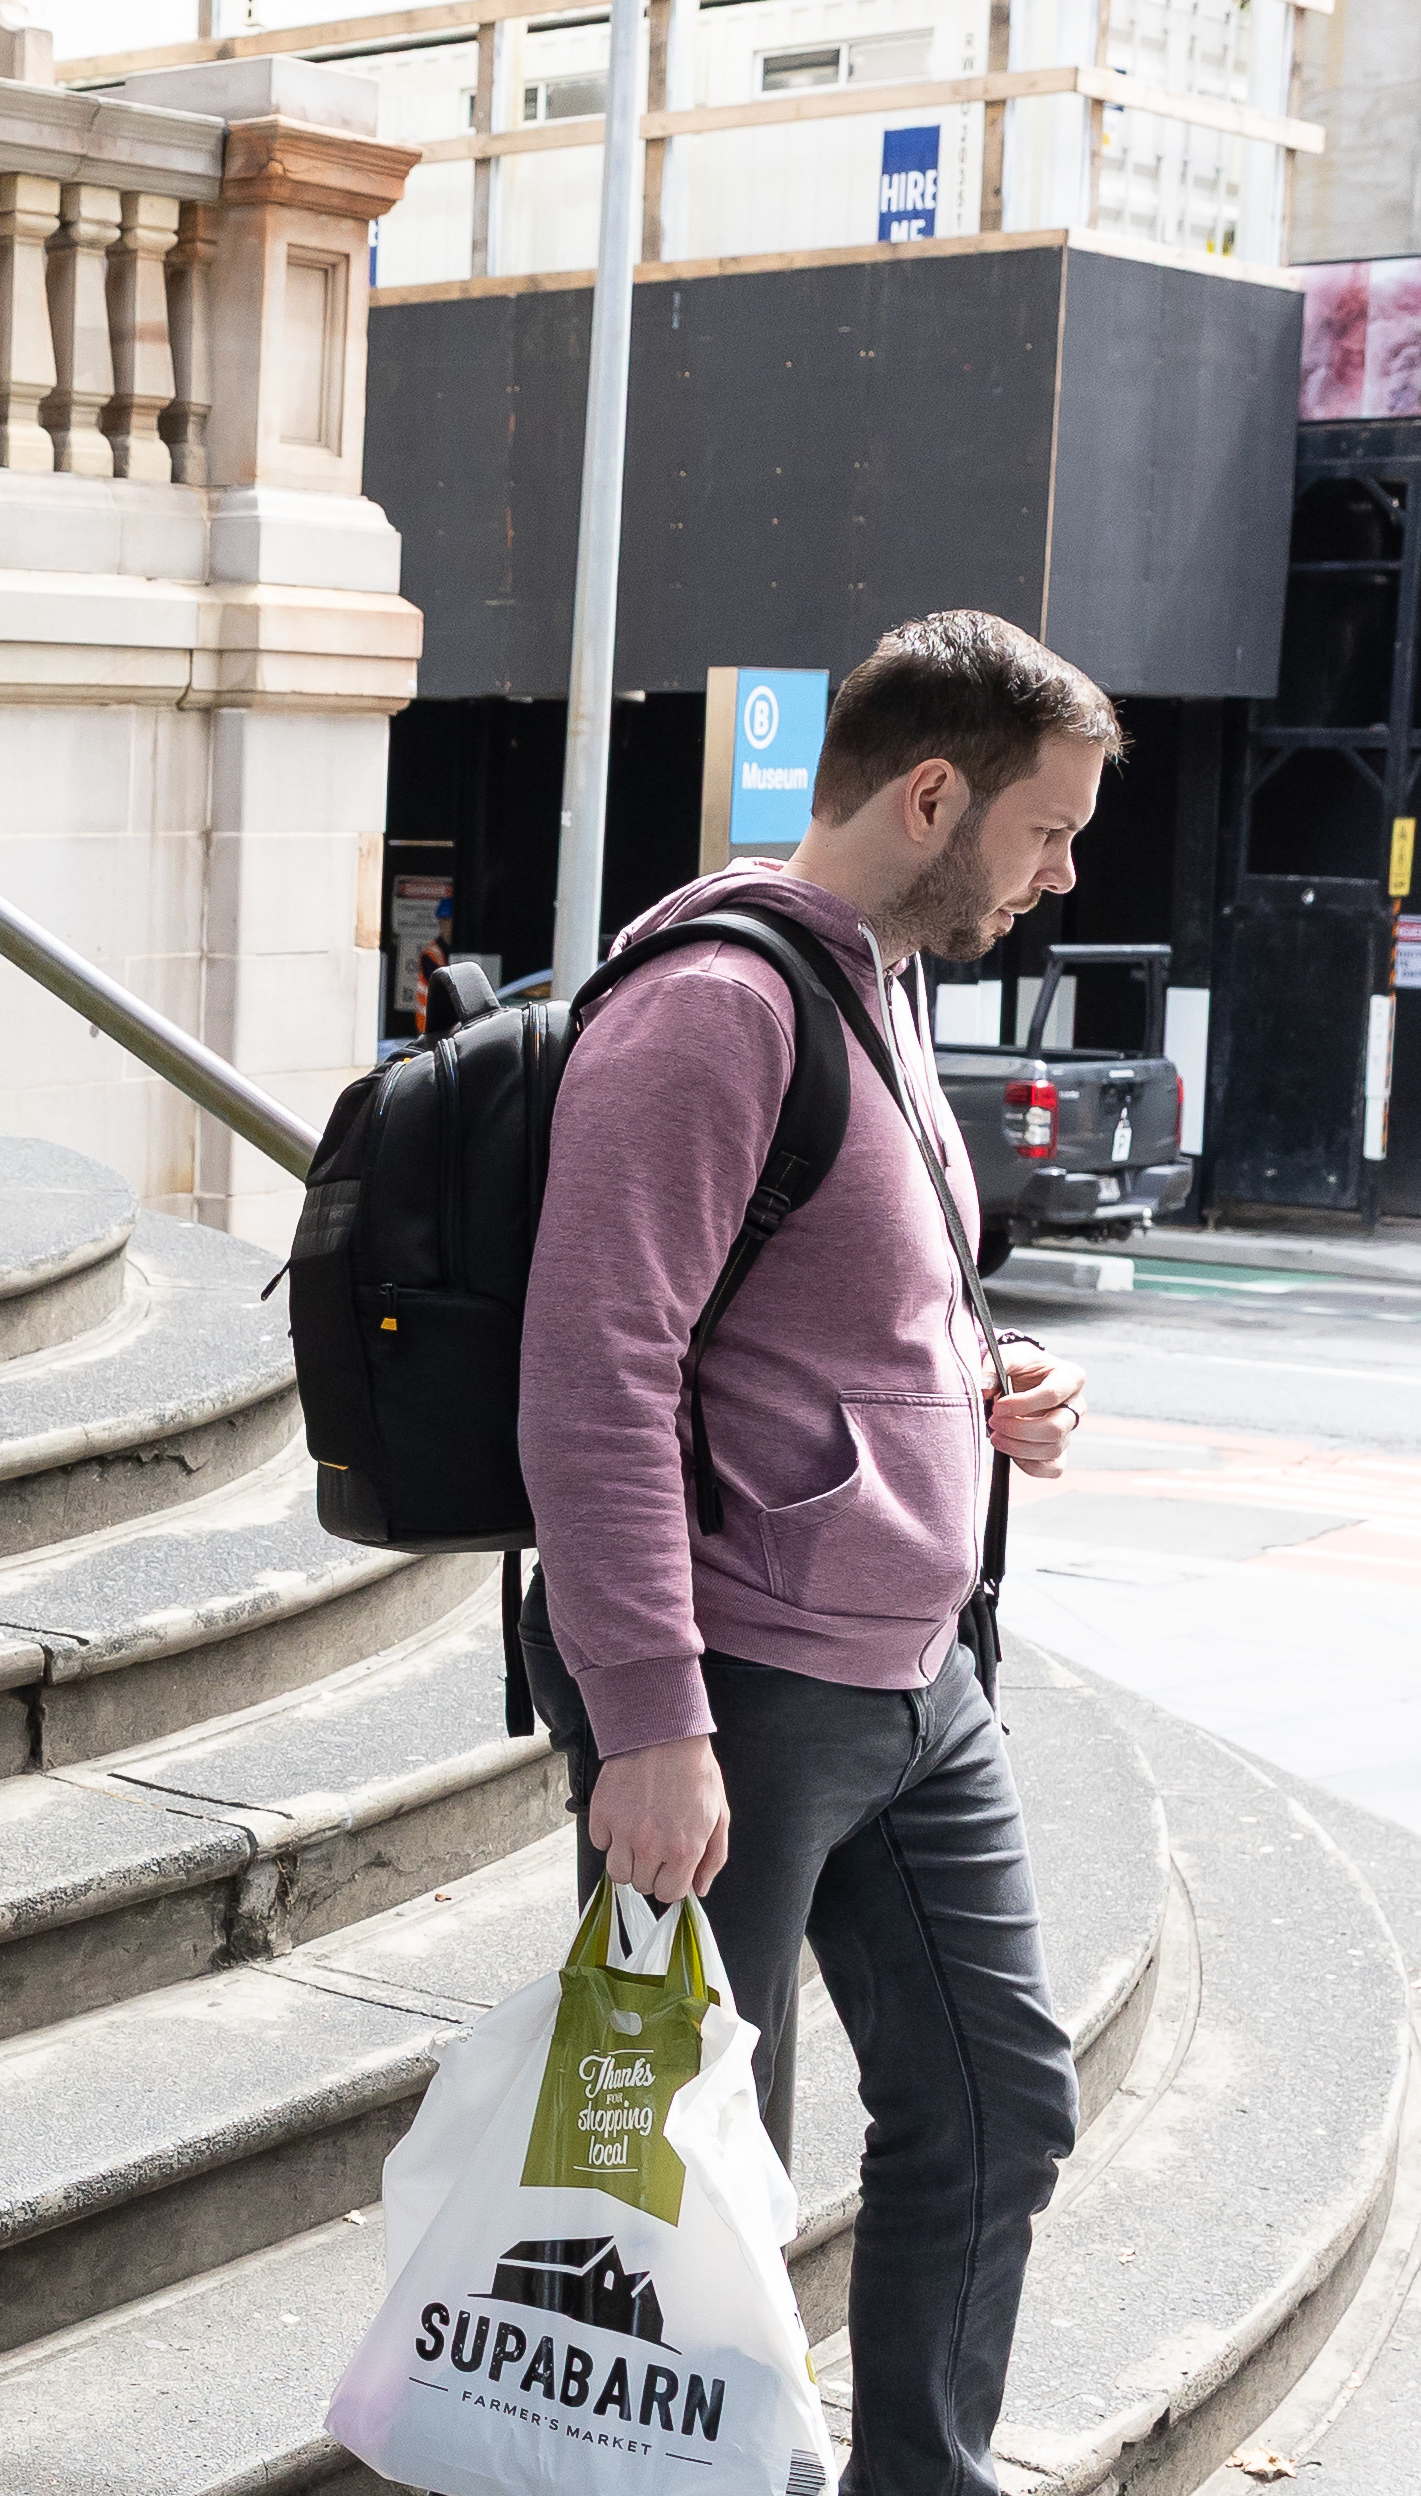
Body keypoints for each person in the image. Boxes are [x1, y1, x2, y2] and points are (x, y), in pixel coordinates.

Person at [516, 610, 1111, 2494]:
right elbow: (591, 1377)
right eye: (1043, 831)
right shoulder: (715, 1008)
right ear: (930, 794)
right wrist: (649, 1722)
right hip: (741, 1697)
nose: (1060, 873)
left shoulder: (886, 977)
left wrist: (977, 1381)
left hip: (913, 1674)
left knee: (998, 2106)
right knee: (689, 2190)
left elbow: (833, 1299)